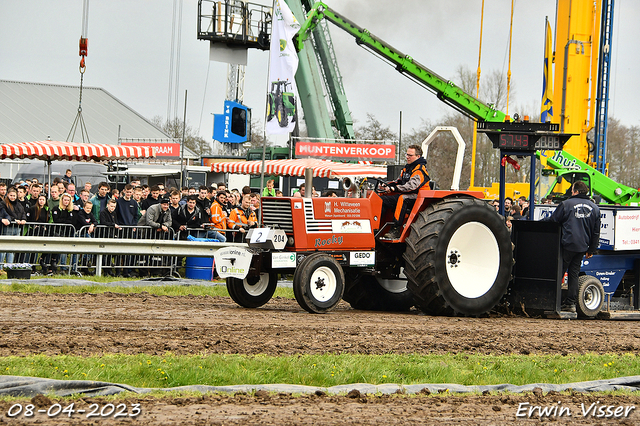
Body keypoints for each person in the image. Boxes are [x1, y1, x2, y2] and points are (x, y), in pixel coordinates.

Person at [543, 181, 600, 313]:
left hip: (567, 244)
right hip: (582, 247)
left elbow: (553, 221)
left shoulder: (566, 204)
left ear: (575, 191)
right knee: (574, 275)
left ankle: (553, 302)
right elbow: (596, 232)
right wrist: (591, 249)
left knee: (558, 272)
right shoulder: (595, 208)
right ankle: (570, 304)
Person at [379, 145, 430, 239]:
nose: (407, 157)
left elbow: (411, 186)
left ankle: (395, 229)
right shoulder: (407, 168)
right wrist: (388, 186)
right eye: (407, 154)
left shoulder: (419, 170)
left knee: (402, 199)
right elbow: (398, 181)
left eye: (410, 155)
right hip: (408, 193)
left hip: (419, 196)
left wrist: (396, 188)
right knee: (381, 200)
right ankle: (378, 226)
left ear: (418, 156)